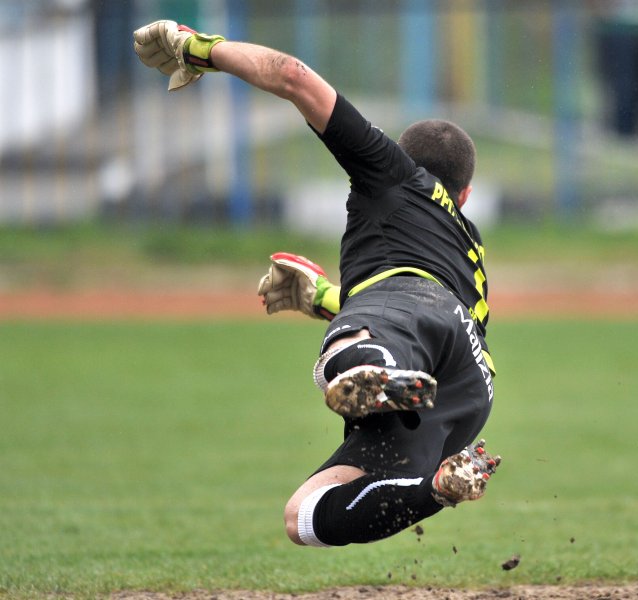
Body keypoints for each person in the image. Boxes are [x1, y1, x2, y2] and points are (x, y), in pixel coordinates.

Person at [133, 20, 501, 548]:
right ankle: (438, 489)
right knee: (304, 516)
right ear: (464, 194)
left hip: (407, 310)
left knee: (340, 358)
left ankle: (362, 366)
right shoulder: (467, 239)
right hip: (470, 380)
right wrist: (325, 298)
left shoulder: (394, 174)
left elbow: (294, 77)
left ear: (401, 156)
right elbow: (437, 323)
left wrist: (198, 50)